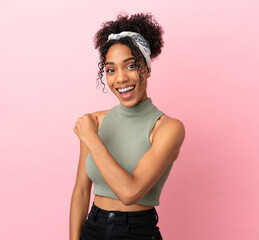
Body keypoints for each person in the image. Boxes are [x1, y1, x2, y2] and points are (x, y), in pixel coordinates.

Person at [70, 12, 185, 240]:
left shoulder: (167, 128)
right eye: (111, 70)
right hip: (92, 227)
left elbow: (130, 192)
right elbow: (82, 192)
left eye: (131, 66)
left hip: (136, 231)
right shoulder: (96, 122)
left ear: (148, 69)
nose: (120, 78)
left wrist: (92, 138)